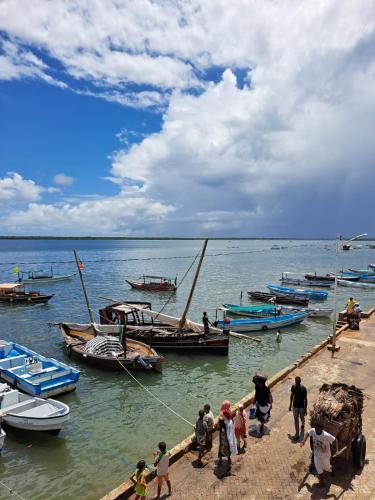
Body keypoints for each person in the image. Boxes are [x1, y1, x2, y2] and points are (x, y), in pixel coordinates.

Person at [289, 376, 307, 440]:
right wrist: (290, 405)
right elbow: (291, 396)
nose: (297, 382)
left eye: (298, 381)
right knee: (296, 420)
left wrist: (305, 409)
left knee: (301, 418)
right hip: (295, 406)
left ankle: (303, 423)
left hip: (302, 407)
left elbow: (305, 399)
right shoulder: (293, 387)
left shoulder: (304, 388)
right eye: (296, 381)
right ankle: (297, 434)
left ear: (300, 381)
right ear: (295, 381)